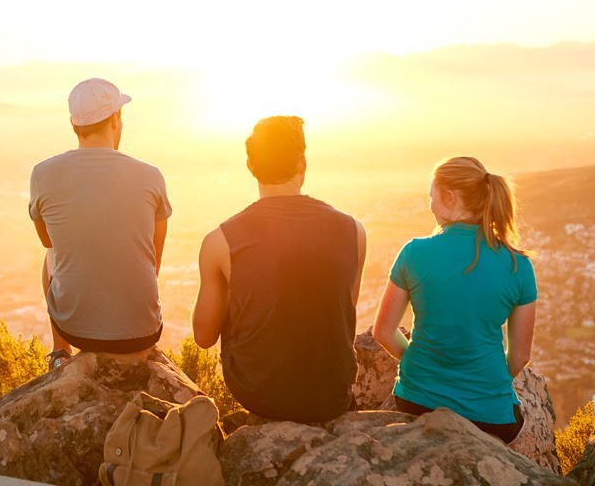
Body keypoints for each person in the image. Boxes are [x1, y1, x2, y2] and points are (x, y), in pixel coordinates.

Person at [191, 116, 367, 422]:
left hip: (259, 393)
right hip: (332, 394)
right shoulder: (353, 230)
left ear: (251, 166)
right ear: (303, 163)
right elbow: (344, 309)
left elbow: (204, 337)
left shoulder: (220, 241)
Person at [372, 156, 537, 444]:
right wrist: (485, 384)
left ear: (449, 197)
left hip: (416, 403)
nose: (430, 203)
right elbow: (521, 356)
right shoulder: (517, 265)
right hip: (490, 418)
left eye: (431, 195)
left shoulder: (414, 252)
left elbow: (383, 332)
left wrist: (421, 364)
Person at [28, 78, 172, 369]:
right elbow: (153, 257)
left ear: (73, 123)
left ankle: (60, 353)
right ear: (116, 119)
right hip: (142, 332)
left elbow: (48, 241)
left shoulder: (42, 174)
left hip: (76, 330)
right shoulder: (151, 175)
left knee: (51, 255)